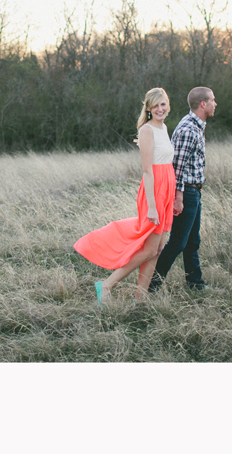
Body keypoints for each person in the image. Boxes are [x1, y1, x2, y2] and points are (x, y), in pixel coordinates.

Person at [73, 88, 175, 303]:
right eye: (155, 105)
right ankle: (107, 285)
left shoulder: (164, 127)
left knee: (157, 249)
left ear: (168, 105)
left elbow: (166, 164)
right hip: (154, 190)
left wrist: (172, 197)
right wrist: (153, 206)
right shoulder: (147, 130)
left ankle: (140, 298)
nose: (160, 109)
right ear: (148, 108)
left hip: (167, 189)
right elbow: (148, 170)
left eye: (163, 104)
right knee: (149, 249)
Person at [148, 86, 216, 293]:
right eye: (212, 100)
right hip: (186, 192)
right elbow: (177, 166)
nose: (215, 104)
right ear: (203, 104)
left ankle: (195, 284)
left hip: (194, 191)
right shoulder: (188, 129)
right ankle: (152, 285)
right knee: (177, 242)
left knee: (192, 241)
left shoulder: (197, 126)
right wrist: (179, 197)